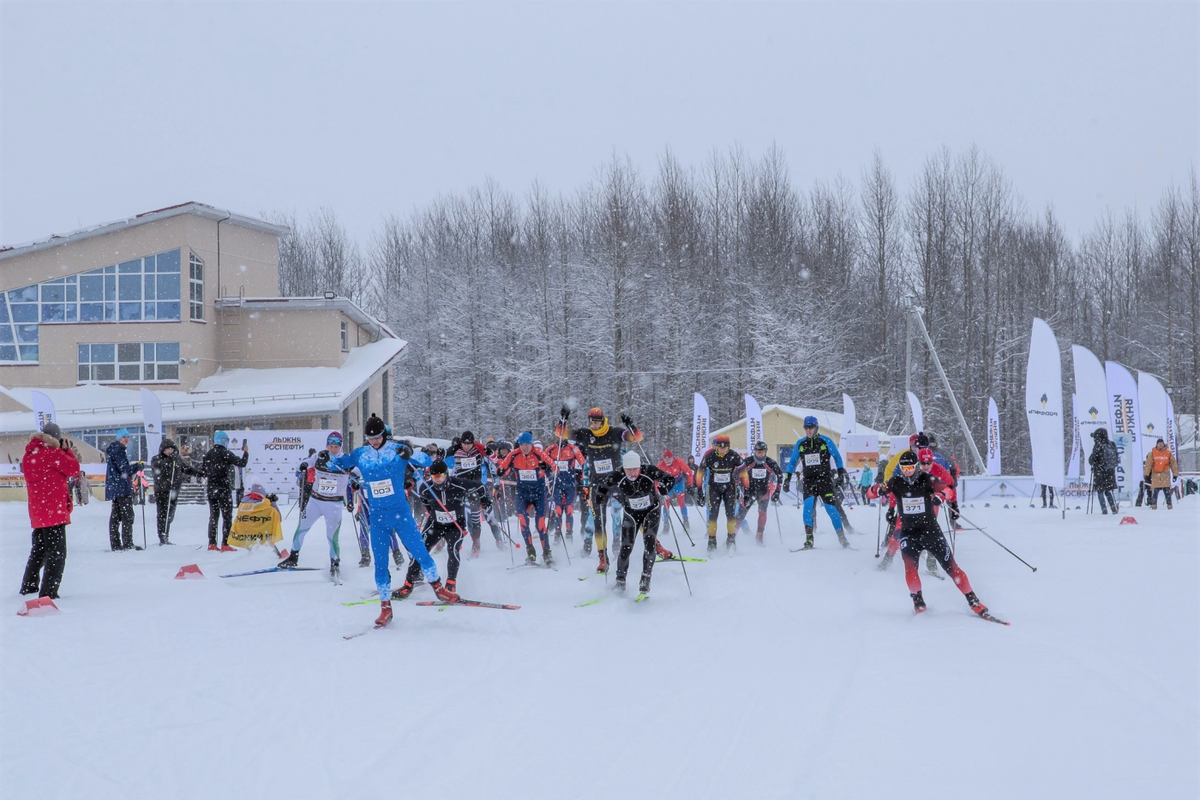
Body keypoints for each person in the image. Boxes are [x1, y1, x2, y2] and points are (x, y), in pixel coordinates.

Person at [329, 414, 455, 628]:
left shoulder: (396, 450)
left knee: (420, 552)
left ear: (384, 435)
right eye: (371, 438)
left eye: (378, 436)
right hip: (378, 518)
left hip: (401, 515)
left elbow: (427, 461)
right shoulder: (361, 454)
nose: (375, 441)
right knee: (380, 564)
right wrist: (328, 459)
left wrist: (412, 452)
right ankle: (385, 607)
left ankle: (439, 588)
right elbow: (340, 464)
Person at [885, 450, 993, 616]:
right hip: (909, 533)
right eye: (904, 467)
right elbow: (879, 492)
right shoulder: (896, 482)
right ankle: (918, 601)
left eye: (910, 467)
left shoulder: (927, 479)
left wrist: (941, 496)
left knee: (952, 568)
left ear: (916, 466)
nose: (907, 471)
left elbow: (947, 489)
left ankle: (973, 600)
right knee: (910, 569)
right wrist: (878, 492)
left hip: (930, 531)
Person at [555, 406, 644, 573]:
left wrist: (631, 425)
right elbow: (560, 434)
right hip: (598, 485)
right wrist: (563, 420)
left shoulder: (614, 432)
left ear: (602, 421)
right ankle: (603, 558)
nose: (594, 425)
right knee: (598, 522)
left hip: (616, 482)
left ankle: (654, 544)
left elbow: (637, 437)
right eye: (591, 422)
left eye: (596, 422)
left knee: (634, 511)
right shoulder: (585, 434)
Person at [395, 459, 486, 599]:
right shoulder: (426, 488)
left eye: (441, 476)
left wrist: (485, 500)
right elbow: (425, 501)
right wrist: (433, 511)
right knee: (420, 551)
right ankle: (408, 583)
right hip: (435, 525)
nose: (437, 480)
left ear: (446, 474)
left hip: (455, 525)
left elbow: (480, 487)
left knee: (453, 550)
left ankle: (450, 583)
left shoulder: (459, 484)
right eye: (434, 477)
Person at [597, 451, 676, 594]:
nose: (632, 473)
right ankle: (620, 581)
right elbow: (603, 486)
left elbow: (670, 479)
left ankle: (646, 579)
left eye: (635, 469)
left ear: (640, 467)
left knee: (649, 541)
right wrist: (600, 496)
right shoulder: (618, 474)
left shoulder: (649, 470)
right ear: (624, 468)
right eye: (629, 469)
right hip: (631, 513)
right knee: (626, 546)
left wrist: (665, 488)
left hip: (652, 510)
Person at [20, 422, 79, 600]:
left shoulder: (29, 455)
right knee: (56, 553)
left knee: (39, 549)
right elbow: (74, 469)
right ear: (56, 438)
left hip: (38, 511)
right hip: (54, 511)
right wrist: (66, 451)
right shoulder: (53, 453)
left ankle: (29, 586)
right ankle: (49, 592)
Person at [278, 432, 351, 577]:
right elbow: (302, 465)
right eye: (330, 446)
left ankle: (335, 563)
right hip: (315, 501)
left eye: (336, 447)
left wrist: (355, 480)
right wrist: (304, 465)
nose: (333, 450)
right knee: (301, 528)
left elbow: (360, 473)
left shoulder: (346, 460)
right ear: (327, 445)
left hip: (334, 504)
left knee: (332, 536)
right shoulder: (319, 456)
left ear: (341, 446)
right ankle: (293, 557)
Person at [783, 416, 850, 550]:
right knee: (808, 508)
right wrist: (787, 478)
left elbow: (837, 457)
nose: (808, 430)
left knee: (831, 509)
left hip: (825, 481)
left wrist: (841, 473)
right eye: (806, 428)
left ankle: (842, 538)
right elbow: (792, 462)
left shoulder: (825, 441)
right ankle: (809, 539)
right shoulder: (801, 444)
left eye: (811, 427)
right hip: (809, 482)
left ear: (816, 427)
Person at [497, 431, 558, 565]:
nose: (524, 447)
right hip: (522, 493)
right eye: (522, 444)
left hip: (539, 493)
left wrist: (547, 468)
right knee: (523, 521)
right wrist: (501, 471)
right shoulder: (514, 454)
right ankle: (530, 552)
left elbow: (554, 468)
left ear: (531, 444)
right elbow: (504, 467)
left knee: (540, 524)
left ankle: (547, 552)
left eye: (527, 444)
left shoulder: (538, 454)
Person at [447, 430, 505, 554]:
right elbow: (450, 470)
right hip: (464, 490)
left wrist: (497, 485)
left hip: (480, 488)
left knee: (490, 515)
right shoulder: (456, 453)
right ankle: (476, 543)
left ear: (473, 443)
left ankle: (499, 540)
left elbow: (495, 465)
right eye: (464, 443)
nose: (467, 446)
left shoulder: (478, 451)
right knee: (473, 517)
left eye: (469, 443)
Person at [201, 431, 250, 552]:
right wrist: (246, 452)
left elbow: (204, 471)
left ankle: (212, 543)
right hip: (223, 489)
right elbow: (242, 463)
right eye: (227, 440)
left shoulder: (208, 454)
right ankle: (225, 543)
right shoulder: (226, 453)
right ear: (223, 441)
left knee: (213, 516)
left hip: (211, 489)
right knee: (227, 516)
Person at [695, 434, 744, 552]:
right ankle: (712, 541)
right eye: (720, 447)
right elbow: (699, 474)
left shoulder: (734, 456)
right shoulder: (709, 456)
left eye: (725, 447)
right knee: (713, 514)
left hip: (730, 488)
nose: (722, 450)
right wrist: (699, 491)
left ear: (728, 447)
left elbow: (744, 473)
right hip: (714, 489)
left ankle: (731, 541)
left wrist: (745, 490)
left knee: (730, 514)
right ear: (716, 447)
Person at [149, 438, 201, 545]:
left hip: (174, 491)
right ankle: (162, 536)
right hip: (162, 491)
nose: (170, 451)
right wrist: (170, 460)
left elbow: (186, 468)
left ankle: (166, 534)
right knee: (162, 514)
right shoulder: (157, 459)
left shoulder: (176, 460)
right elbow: (161, 468)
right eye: (167, 449)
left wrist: (199, 473)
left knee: (170, 514)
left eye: (171, 449)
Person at [735, 441, 783, 545]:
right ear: (754, 451)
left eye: (762, 452)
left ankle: (759, 536)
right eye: (757, 452)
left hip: (763, 492)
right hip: (749, 492)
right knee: (740, 515)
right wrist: (737, 489)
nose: (759, 454)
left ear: (765, 451)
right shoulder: (748, 461)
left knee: (762, 514)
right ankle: (731, 536)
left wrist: (777, 492)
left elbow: (780, 475)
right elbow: (736, 474)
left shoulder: (770, 462)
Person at [104, 429, 144, 551]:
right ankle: (127, 543)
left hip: (116, 487)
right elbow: (124, 468)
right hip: (121, 487)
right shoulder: (119, 451)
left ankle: (116, 544)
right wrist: (137, 466)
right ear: (119, 438)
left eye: (128, 437)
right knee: (127, 516)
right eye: (124, 437)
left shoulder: (115, 450)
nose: (126, 439)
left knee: (116, 516)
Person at [545, 436, 585, 544]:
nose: (560, 438)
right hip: (557, 485)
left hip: (570, 485)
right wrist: (547, 476)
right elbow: (542, 464)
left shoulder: (573, 448)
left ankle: (569, 534)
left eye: (563, 436)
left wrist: (583, 479)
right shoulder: (551, 449)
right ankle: (557, 534)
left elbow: (584, 464)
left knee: (569, 509)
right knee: (558, 510)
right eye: (558, 436)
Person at [656, 449, 693, 534]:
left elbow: (689, 472)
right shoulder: (660, 465)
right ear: (663, 459)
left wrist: (690, 485)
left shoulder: (679, 462)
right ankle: (666, 523)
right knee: (666, 502)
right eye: (665, 459)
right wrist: (659, 491)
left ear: (673, 457)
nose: (668, 461)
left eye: (669, 459)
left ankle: (685, 520)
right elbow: (656, 480)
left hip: (679, 482)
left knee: (681, 501)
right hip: (667, 484)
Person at [1087, 428, 1120, 514]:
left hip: (1100, 472)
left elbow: (1092, 459)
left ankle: (1104, 508)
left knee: (1100, 491)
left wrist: (1094, 463)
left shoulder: (1098, 445)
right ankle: (1113, 507)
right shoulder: (1111, 444)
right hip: (1110, 472)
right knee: (1108, 490)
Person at [1143, 438, 1179, 510]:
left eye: (1161, 443)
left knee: (1167, 491)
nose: (1160, 445)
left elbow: (1173, 464)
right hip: (1156, 475)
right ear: (1157, 444)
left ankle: (1169, 505)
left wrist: (1175, 474)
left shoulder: (1168, 453)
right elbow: (1148, 464)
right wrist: (1146, 474)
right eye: (1159, 443)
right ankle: (1154, 505)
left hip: (1165, 475)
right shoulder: (1152, 453)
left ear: (1163, 444)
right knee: (1155, 491)